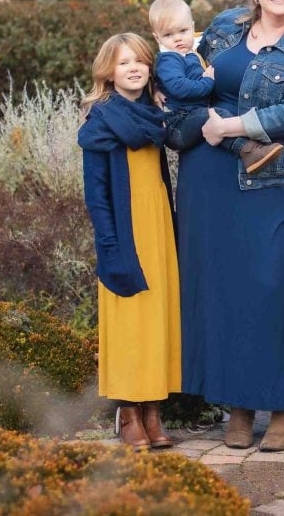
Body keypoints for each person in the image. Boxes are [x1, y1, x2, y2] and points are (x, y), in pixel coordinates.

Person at [176, 0, 284, 452]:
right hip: (209, 176)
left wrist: (230, 125)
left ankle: (283, 406)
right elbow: (185, 79)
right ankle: (238, 408)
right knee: (222, 293)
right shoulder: (223, 27)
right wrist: (199, 123)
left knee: (272, 291)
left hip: (273, 181)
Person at [78, 32, 182, 452]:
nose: (134, 68)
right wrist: (109, 244)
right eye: (124, 63)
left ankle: (154, 410)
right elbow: (96, 194)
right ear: (108, 71)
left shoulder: (155, 118)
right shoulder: (100, 122)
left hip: (158, 228)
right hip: (124, 233)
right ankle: (130, 413)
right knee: (129, 323)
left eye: (140, 60)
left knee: (158, 319)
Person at [148, 0, 284, 173]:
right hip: (177, 125)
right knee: (215, 115)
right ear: (157, 38)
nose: (178, 39)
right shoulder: (169, 60)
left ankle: (252, 147)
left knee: (214, 116)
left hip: (189, 117)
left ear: (192, 28)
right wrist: (207, 83)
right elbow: (178, 87)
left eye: (183, 31)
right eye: (168, 35)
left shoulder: (190, 54)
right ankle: (249, 150)